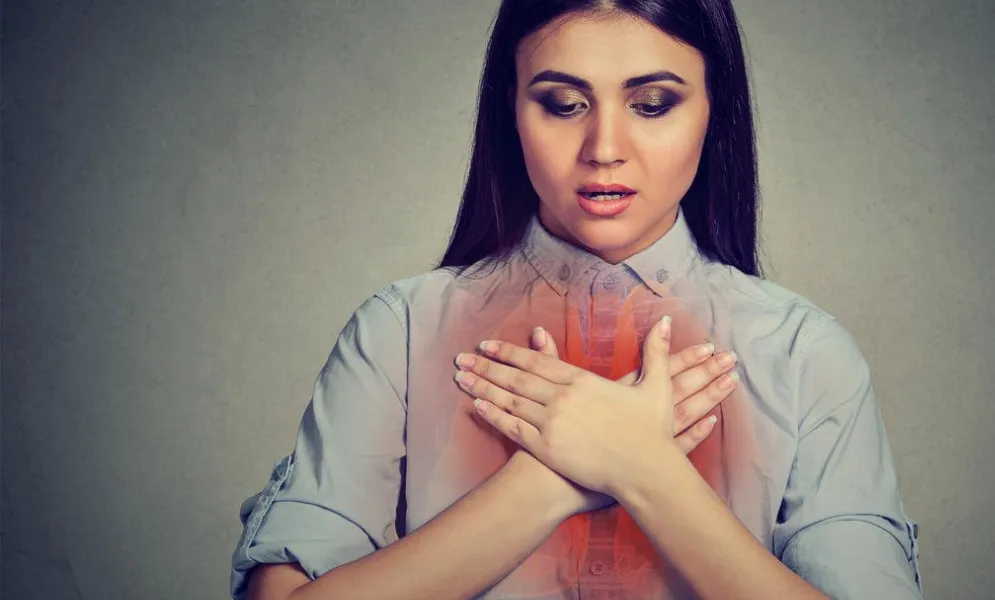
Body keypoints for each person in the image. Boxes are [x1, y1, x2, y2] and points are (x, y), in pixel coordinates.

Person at [230, 1, 923, 598]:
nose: (604, 148)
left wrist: (645, 470)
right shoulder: (400, 332)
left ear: (715, 108)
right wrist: (548, 480)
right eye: (564, 105)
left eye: (653, 104)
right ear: (511, 107)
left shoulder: (805, 353)